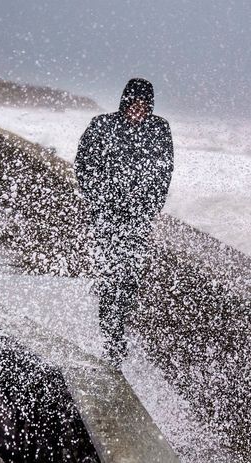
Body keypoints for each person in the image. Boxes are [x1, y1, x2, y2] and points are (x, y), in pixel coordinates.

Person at [74, 78, 174, 367]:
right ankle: (112, 336)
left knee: (130, 278)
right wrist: (101, 200)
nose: (138, 110)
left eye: (144, 106)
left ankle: (120, 328)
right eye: (133, 104)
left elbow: (164, 172)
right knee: (109, 276)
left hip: (138, 219)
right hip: (106, 217)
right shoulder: (102, 125)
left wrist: (150, 208)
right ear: (124, 102)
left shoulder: (159, 129)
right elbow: (84, 165)